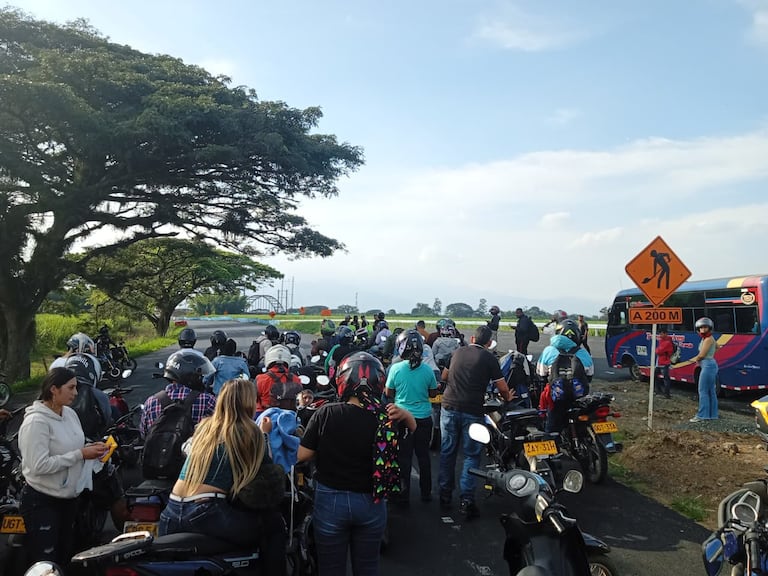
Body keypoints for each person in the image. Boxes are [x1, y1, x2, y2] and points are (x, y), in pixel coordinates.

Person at [298, 352, 416, 576]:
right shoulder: (387, 417)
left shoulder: (326, 413)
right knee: (367, 568)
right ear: (378, 382)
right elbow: (413, 430)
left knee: (331, 568)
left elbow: (303, 455)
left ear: (343, 380)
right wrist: (405, 414)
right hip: (371, 502)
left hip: (331, 501)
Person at [159, 378, 286, 573]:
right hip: (206, 513)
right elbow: (266, 475)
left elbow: (188, 450)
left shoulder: (204, 428)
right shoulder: (249, 431)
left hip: (172, 511)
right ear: (248, 402)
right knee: (274, 525)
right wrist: (265, 435)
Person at [18, 367, 109, 569]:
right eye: (71, 388)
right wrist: (79, 455)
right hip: (42, 501)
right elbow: (38, 465)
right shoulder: (36, 422)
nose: (76, 393)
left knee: (66, 556)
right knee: (46, 562)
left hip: (68, 500)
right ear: (54, 389)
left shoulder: (69, 414)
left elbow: (73, 445)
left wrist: (89, 449)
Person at [438, 325, 514, 518]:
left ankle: (445, 495)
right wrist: (508, 397)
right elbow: (502, 387)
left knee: (448, 452)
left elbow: (444, 377)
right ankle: (466, 500)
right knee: (471, 455)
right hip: (473, 410)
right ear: (489, 343)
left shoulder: (456, 352)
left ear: (472, 339)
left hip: (448, 407)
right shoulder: (489, 358)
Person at [386, 330, 438, 504]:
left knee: (404, 458)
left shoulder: (395, 368)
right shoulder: (428, 371)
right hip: (423, 419)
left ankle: (404, 494)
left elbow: (389, 392)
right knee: (423, 456)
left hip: (401, 419)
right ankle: (426, 492)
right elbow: (432, 393)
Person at [140, 350, 217, 438]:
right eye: (199, 376)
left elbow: (144, 433)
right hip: (195, 451)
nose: (201, 379)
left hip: (159, 451)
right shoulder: (207, 400)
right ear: (190, 376)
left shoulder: (151, 402)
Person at [536, 319, 594, 433]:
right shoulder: (583, 353)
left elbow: (541, 374)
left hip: (557, 397)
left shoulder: (549, 350)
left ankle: (552, 447)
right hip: (579, 396)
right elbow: (590, 375)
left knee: (552, 428)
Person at [255, 344, 303, 415]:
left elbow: (252, 401)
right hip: (290, 419)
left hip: (266, 419)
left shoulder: (261, 379)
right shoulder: (296, 379)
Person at [690, 317, 719, 423]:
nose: (702, 329)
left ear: (709, 328)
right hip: (710, 364)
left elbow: (702, 355)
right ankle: (712, 414)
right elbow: (718, 347)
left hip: (707, 365)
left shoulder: (708, 339)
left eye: (705, 327)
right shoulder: (708, 338)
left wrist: (694, 360)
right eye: (701, 327)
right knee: (711, 391)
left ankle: (702, 415)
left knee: (703, 391)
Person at [655, 327, 674, 399]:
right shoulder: (662, 341)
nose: (660, 335)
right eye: (659, 333)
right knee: (656, 376)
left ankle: (667, 394)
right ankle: (658, 391)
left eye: (661, 333)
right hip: (660, 362)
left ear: (665, 333)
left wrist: (657, 350)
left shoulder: (667, 342)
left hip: (664, 363)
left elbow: (658, 351)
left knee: (666, 379)